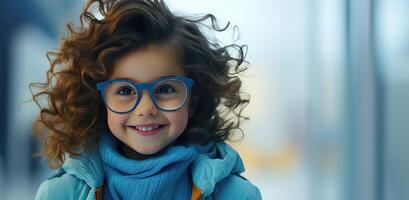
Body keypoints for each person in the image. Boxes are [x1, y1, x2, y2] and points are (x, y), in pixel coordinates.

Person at [32, 0, 261, 199]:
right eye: (124, 91)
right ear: (100, 100)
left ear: (192, 100)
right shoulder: (58, 195)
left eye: (165, 88)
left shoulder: (238, 196)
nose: (146, 108)